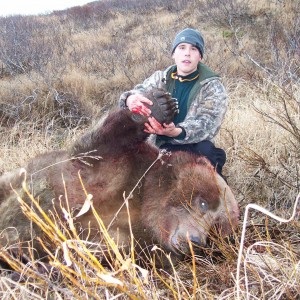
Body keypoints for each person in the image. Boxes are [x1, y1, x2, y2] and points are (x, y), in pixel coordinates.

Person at [119, 28, 228, 176]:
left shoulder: (212, 86)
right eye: (182, 47)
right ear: (173, 54)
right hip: (158, 145)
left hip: (193, 146)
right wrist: (130, 99)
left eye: (194, 49)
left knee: (209, 157)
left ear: (200, 57)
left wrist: (176, 132)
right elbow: (139, 91)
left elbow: (208, 123)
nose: (187, 53)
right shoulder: (160, 78)